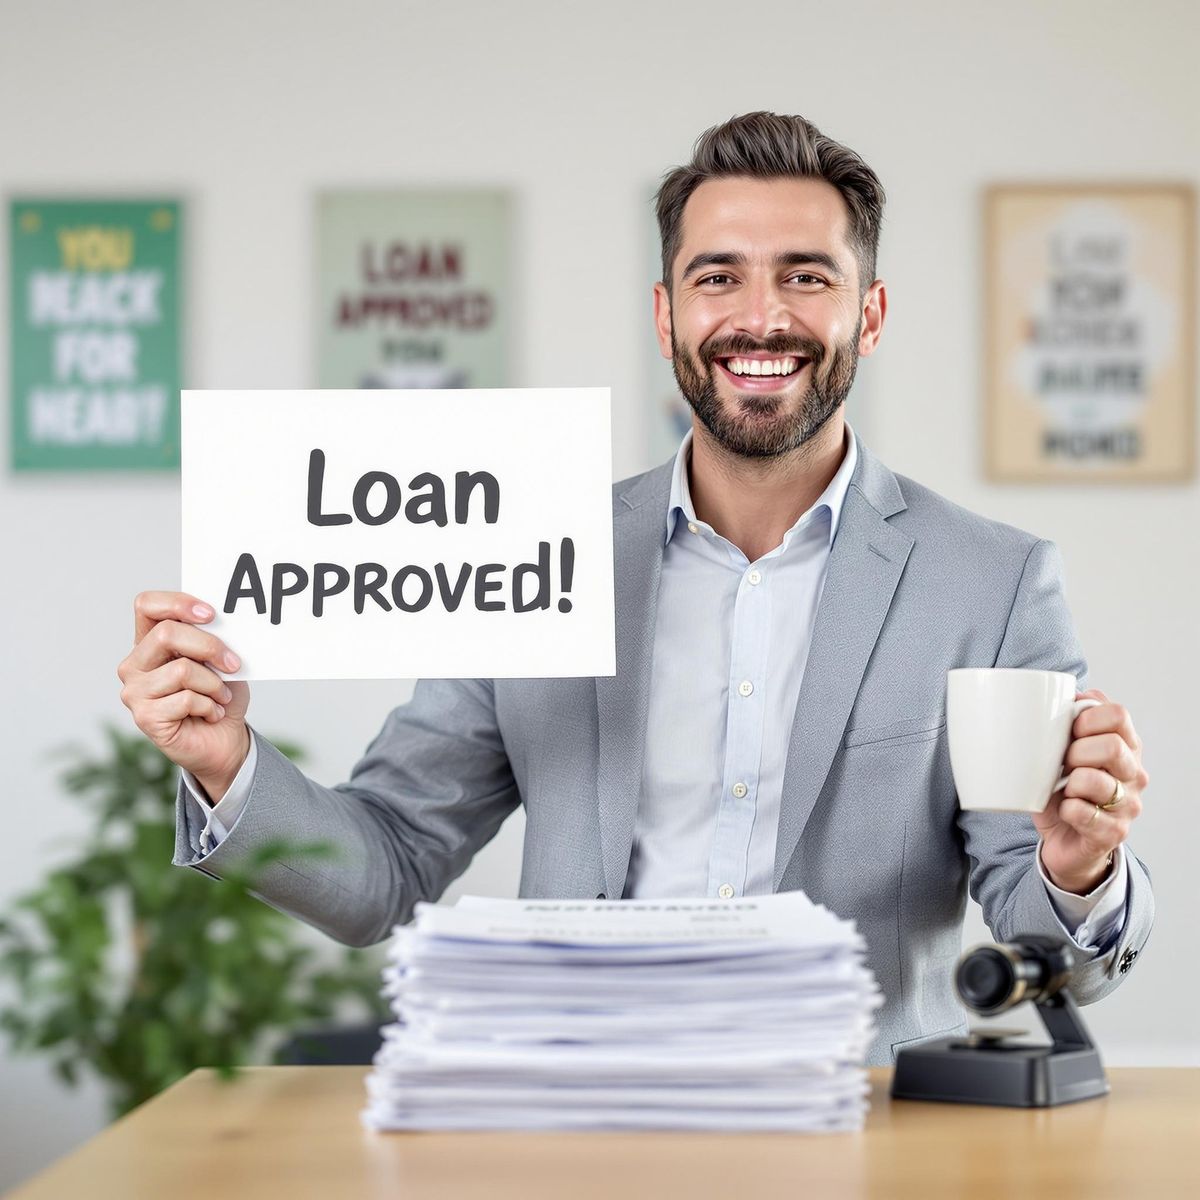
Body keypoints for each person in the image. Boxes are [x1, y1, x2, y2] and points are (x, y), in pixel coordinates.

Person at [118, 112, 1153, 1064]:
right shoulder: (530, 553)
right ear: (667, 316)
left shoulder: (993, 581)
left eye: (805, 278)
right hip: (581, 1123)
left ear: (868, 314)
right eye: (718, 279)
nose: (761, 317)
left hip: (861, 1131)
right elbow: (383, 869)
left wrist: (1074, 872)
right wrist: (225, 763)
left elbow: (1046, 941)